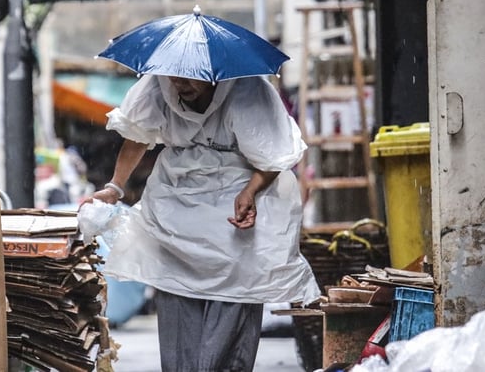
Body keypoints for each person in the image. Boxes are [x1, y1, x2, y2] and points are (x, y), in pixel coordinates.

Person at [92, 73, 321, 372]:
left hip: (233, 206)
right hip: (175, 206)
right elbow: (137, 136)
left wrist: (250, 191)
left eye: (190, 80)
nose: (180, 85)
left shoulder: (248, 88)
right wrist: (115, 187)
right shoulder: (157, 84)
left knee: (232, 295)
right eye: (174, 78)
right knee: (176, 291)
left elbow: (272, 155)